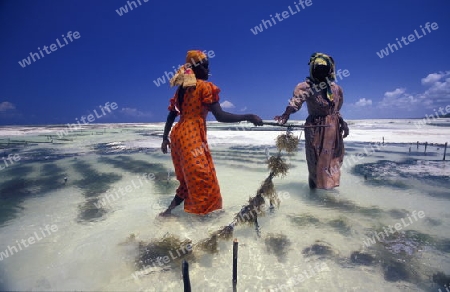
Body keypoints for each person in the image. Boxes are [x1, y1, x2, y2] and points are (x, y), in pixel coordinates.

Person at [160, 50, 263, 216]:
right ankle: (204, 217)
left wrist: (165, 139)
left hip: (178, 136)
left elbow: (171, 115)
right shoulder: (205, 87)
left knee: (187, 178)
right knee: (203, 177)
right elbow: (220, 116)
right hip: (192, 137)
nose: (209, 71)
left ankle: (168, 212)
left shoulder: (181, 90)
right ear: (195, 68)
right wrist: (248, 116)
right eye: (206, 67)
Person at [274, 52, 349, 190]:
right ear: (313, 70)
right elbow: (295, 102)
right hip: (315, 128)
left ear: (330, 70)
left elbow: (336, 109)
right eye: (318, 69)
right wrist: (286, 114)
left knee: (332, 162)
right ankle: (314, 197)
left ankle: (326, 193)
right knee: (314, 164)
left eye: (324, 69)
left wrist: (343, 123)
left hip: (333, 130)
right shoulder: (306, 87)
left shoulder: (336, 89)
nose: (321, 72)